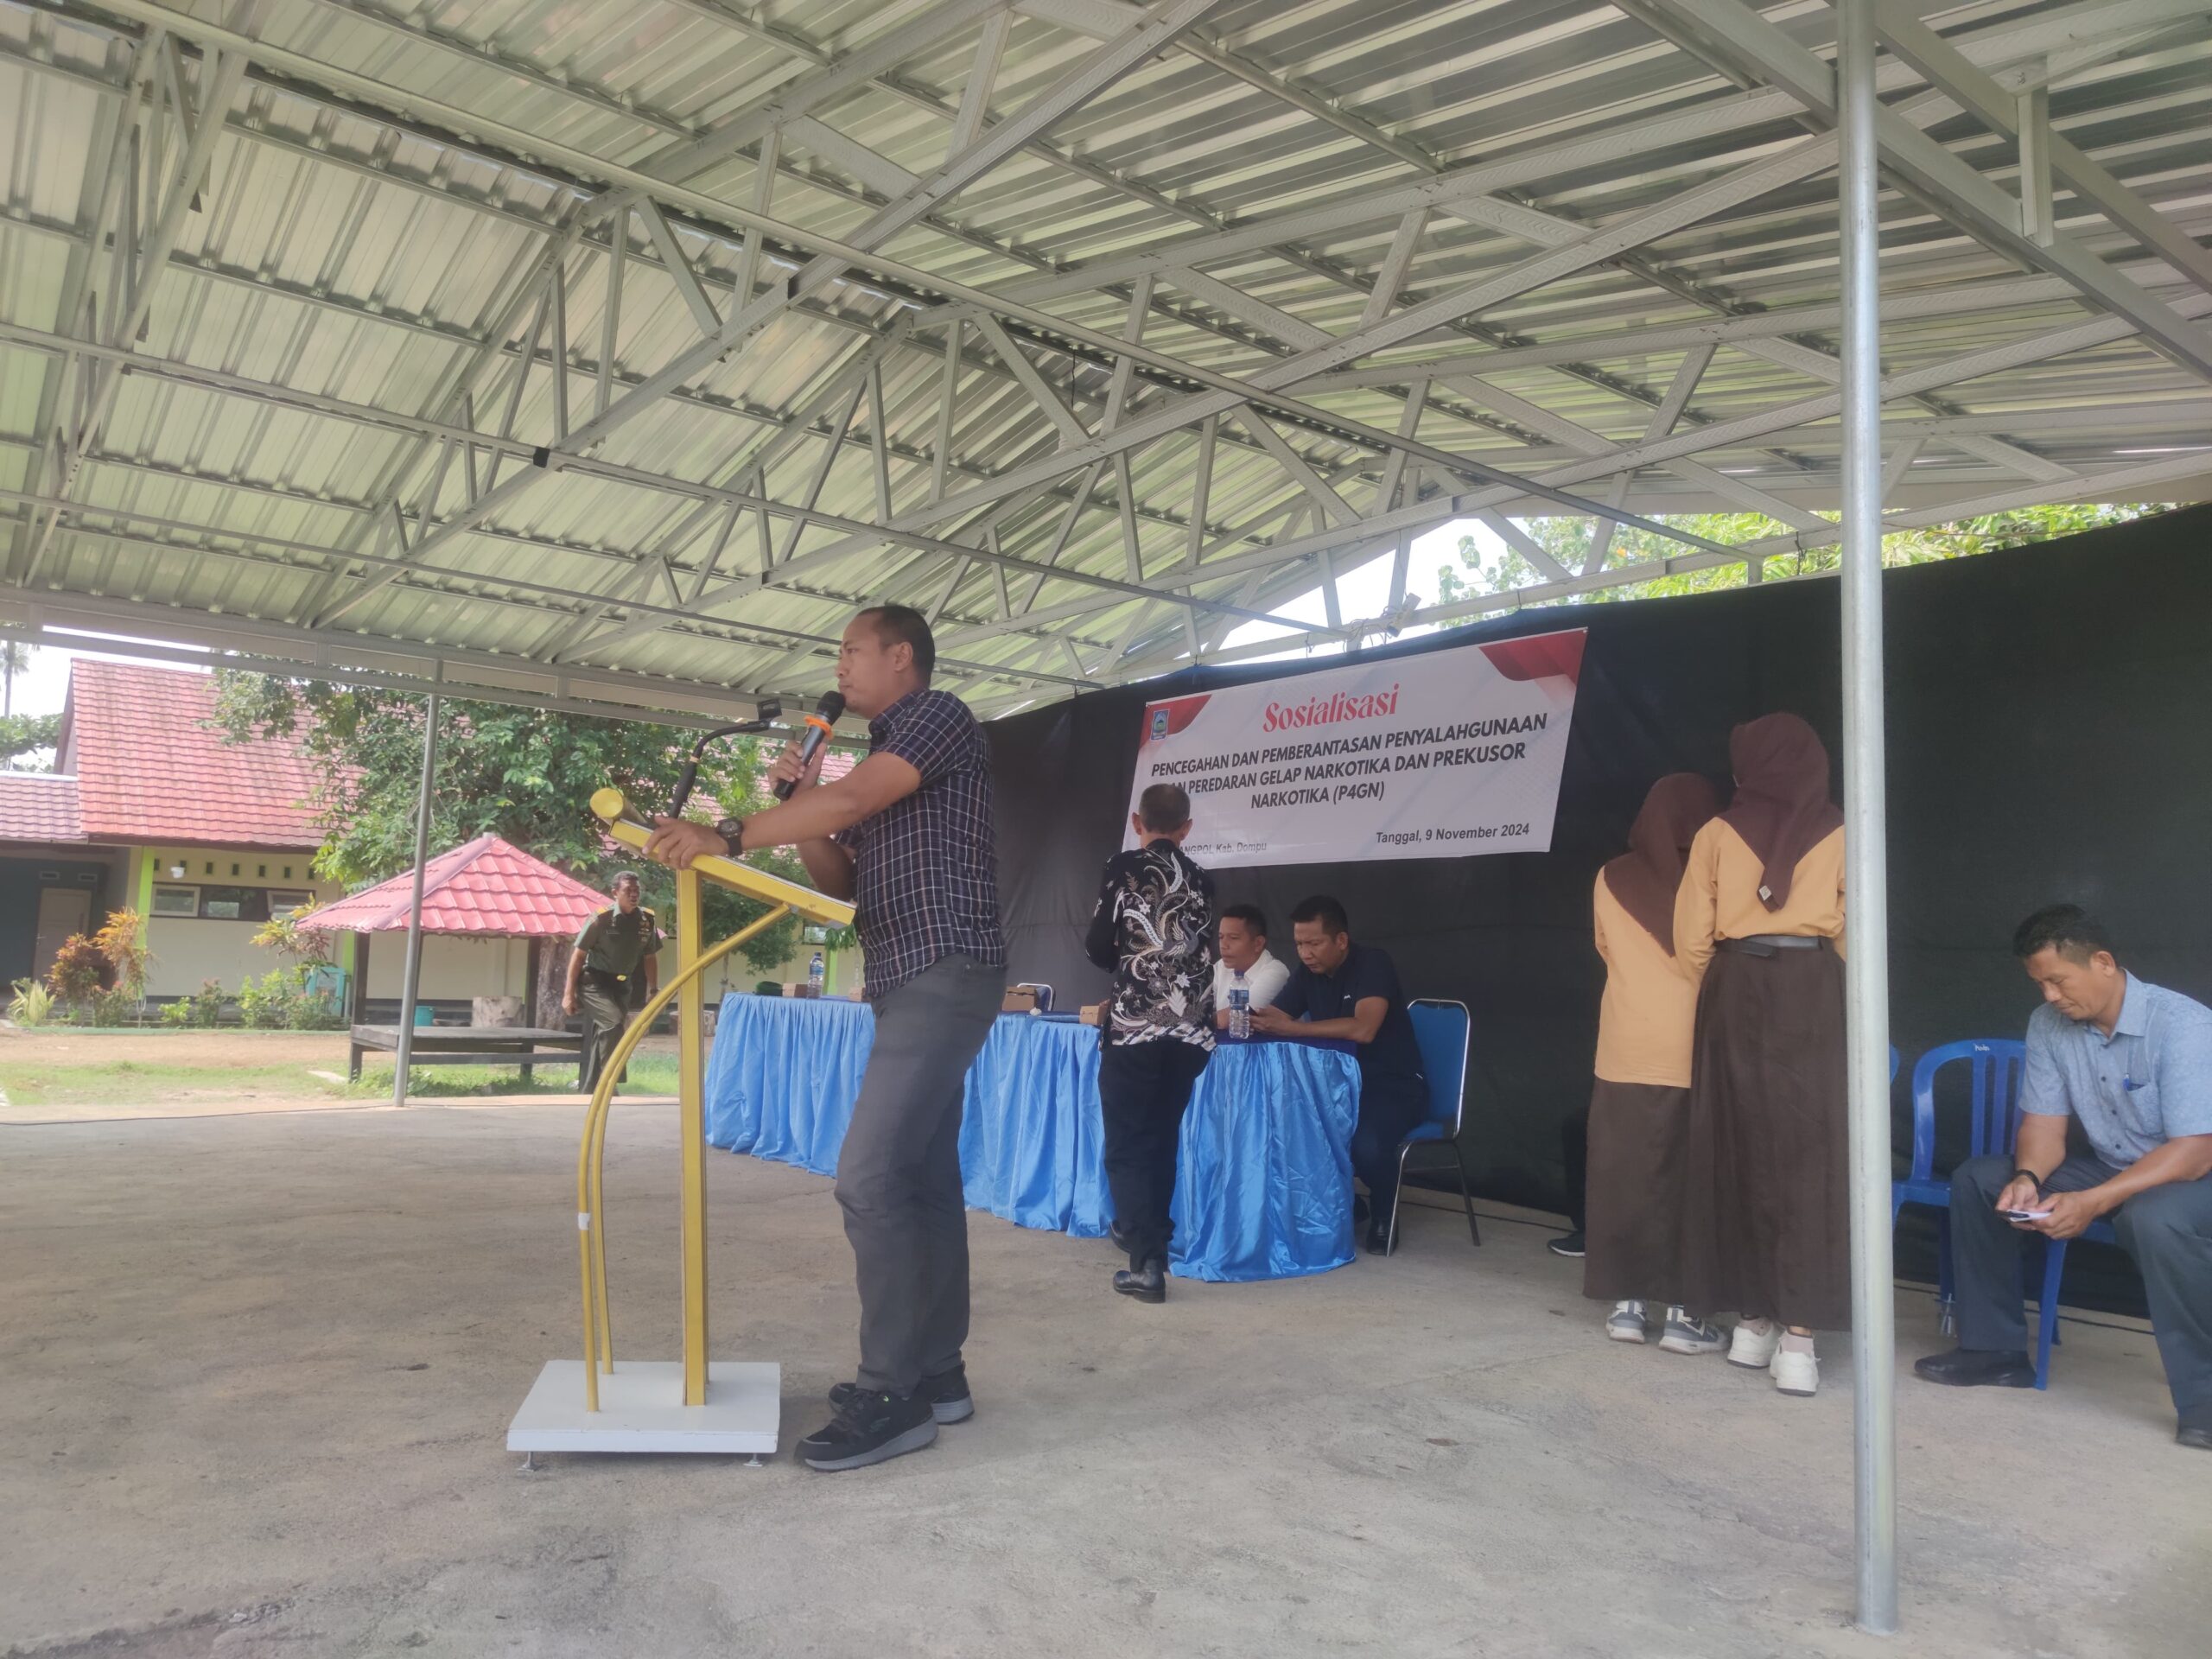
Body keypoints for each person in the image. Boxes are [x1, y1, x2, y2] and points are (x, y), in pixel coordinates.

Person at [645, 603, 1006, 1472]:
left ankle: (892, 1392)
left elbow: (851, 799)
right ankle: (938, 1373)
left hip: (945, 964)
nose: (838, 668)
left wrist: (729, 833)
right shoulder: (881, 758)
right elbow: (840, 876)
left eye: (852, 651)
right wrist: (797, 800)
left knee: (868, 1178)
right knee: (922, 1179)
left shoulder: (936, 717)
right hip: (907, 973)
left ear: (901, 656)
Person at [1915, 906, 2212, 1449]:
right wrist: (2028, 1176)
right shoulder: (2048, 1024)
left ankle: (2205, 1401)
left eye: (2058, 980)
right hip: (2114, 1164)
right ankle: (1995, 1351)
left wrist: (2093, 1200)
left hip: (2193, 1175)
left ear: (2103, 963)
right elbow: (2044, 1126)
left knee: (2152, 1218)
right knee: (1981, 1179)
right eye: (2039, 984)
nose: (2050, 996)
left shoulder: (2183, 1025)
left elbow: (2194, 1151)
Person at [1674, 712, 1847, 1398]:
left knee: (1737, 1146)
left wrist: (1727, 982)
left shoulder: (1717, 833)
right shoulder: (1844, 829)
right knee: (1809, 1154)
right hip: (1813, 991)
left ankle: (1752, 1324)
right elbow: (1858, 931)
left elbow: (1691, 937)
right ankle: (1799, 1341)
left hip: (1736, 984)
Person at [1583, 773, 1724, 1354]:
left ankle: (1627, 1307)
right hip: (1696, 1049)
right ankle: (1686, 1317)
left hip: (1623, 1046)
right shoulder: (1715, 876)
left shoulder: (1609, 876)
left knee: (1624, 1177)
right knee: (1692, 1183)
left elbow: (1605, 948)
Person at [1084, 783, 1216, 1304]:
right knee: (1162, 1138)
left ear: (1137, 823)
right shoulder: (1204, 878)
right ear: (1187, 828)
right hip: (1191, 1030)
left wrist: (1123, 956)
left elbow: (1098, 945)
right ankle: (1150, 1240)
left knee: (1128, 1143)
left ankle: (1145, 1262)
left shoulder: (1123, 866)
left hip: (1136, 1025)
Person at [1249, 895, 1429, 1256]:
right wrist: (1230, 1017)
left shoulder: (1373, 963)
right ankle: (1347, 1204)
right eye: (1299, 944)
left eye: (1314, 943)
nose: (1305, 953)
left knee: (1367, 1146)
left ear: (1341, 940)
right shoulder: (1308, 973)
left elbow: (1364, 1029)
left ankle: (1384, 1211)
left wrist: (1295, 1029)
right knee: (1279, 1126)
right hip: (1335, 1087)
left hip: (1393, 1086)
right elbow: (1275, 1016)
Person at [563, 873, 660, 1093]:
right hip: (593, 983)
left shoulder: (646, 920)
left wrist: (653, 989)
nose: (634, 895)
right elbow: (578, 956)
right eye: (628, 890)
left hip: (622, 986)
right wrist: (568, 994)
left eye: (637, 891)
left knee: (604, 1034)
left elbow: (650, 957)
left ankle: (591, 1089)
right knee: (613, 1024)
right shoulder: (601, 919)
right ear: (615, 893)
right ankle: (609, 1083)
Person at [1212, 903, 1290, 1026]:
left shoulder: (1277, 972)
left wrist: (1199, 1021)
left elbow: (1235, 1017)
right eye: (1221, 937)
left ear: (1258, 943)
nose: (1223, 945)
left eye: (1233, 938)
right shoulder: (1221, 966)